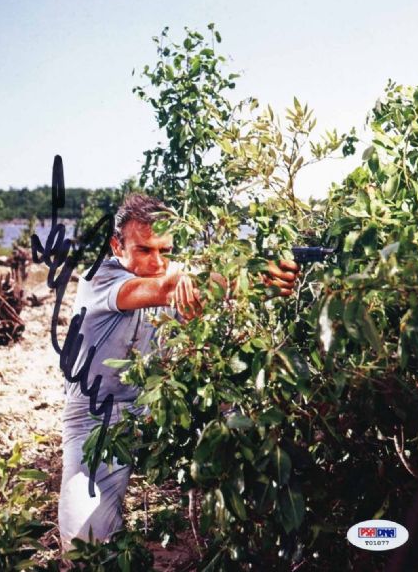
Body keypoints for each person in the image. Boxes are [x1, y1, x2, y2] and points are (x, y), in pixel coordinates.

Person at [58, 193, 299, 551]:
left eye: (165, 251)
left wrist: (267, 284)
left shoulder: (177, 271)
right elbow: (163, 289)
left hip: (162, 408)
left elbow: (205, 294)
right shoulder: (98, 278)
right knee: (84, 544)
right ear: (116, 245)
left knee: (244, 419)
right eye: (143, 250)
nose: (157, 261)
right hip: (98, 418)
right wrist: (252, 274)